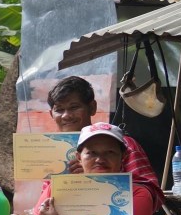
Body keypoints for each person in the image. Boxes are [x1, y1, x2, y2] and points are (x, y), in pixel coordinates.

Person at [47, 75, 163, 206]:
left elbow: (153, 196)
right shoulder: (53, 154)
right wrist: (65, 182)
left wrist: (99, 176)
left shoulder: (124, 144)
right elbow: (45, 202)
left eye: (74, 107)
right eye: (59, 110)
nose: (66, 115)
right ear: (51, 114)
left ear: (92, 107)